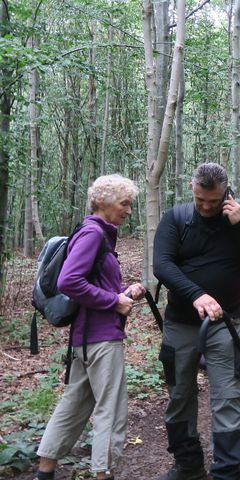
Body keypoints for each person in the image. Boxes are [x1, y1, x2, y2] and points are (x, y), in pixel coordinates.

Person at [153, 163, 240, 480]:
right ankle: (188, 463)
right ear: (192, 191)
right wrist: (196, 294)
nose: (207, 207)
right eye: (200, 200)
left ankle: (227, 469)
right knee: (180, 395)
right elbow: (162, 265)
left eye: (214, 200)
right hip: (181, 323)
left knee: (226, 396)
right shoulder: (176, 219)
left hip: (225, 323)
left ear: (227, 192)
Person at [34, 174, 145, 480]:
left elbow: (90, 282)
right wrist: (114, 301)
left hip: (85, 339)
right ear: (104, 202)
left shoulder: (95, 234)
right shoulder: (94, 234)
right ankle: (102, 472)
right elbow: (69, 281)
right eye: (125, 204)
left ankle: (45, 472)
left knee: (74, 404)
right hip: (101, 340)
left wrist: (123, 292)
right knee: (111, 410)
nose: (128, 211)